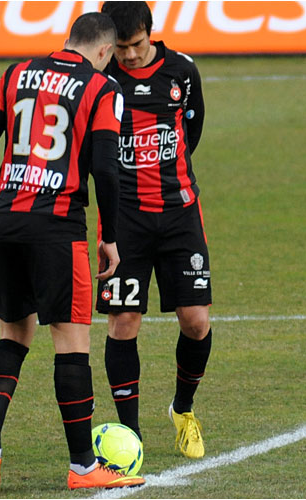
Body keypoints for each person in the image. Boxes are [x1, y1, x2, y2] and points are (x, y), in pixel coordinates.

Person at [0, 12, 144, 491]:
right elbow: (106, 169)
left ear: (69, 40)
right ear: (105, 51)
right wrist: (110, 235)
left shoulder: (16, 72)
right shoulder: (103, 90)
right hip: (57, 227)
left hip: (4, 220)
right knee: (71, 341)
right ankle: (84, 466)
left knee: (14, 335)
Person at [96, 1, 212, 460]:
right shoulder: (102, 81)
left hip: (180, 213)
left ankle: (182, 410)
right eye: (120, 48)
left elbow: (193, 129)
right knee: (124, 323)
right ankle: (130, 434)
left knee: (196, 320)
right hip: (125, 222)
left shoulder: (182, 71)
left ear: (151, 33)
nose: (129, 55)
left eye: (137, 45)